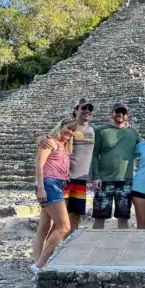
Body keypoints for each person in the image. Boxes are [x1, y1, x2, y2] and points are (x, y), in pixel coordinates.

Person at [37, 98, 95, 233]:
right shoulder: (67, 127)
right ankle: (51, 249)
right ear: (76, 110)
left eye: (90, 109)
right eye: (83, 108)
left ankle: (67, 246)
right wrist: (39, 138)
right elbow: (50, 138)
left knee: (75, 215)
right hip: (62, 179)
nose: (87, 111)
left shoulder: (95, 130)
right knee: (55, 219)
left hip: (81, 179)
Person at [31, 117, 75, 274]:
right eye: (68, 128)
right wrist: (40, 187)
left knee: (44, 227)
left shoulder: (64, 146)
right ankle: (40, 265)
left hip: (58, 185)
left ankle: (36, 262)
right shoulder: (49, 141)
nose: (70, 132)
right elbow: (39, 163)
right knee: (64, 227)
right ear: (61, 126)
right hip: (49, 185)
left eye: (73, 131)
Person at [91, 101, 140, 229]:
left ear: (127, 116)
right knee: (99, 217)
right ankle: (94, 246)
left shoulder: (133, 133)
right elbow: (94, 154)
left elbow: (144, 148)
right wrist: (95, 176)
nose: (120, 114)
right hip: (104, 180)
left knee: (123, 217)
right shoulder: (101, 131)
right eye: (117, 111)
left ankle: (121, 247)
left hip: (125, 181)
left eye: (123, 112)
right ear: (111, 114)